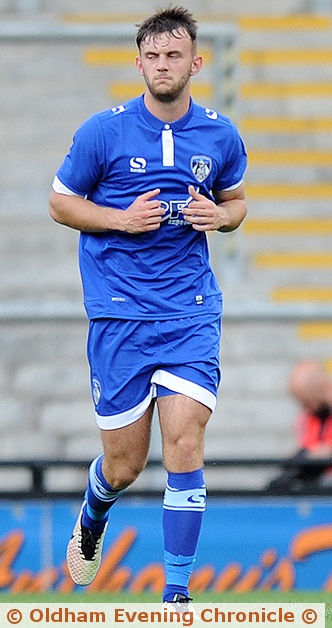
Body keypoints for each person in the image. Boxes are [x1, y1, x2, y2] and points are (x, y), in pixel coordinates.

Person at [49, 5, 247, 604]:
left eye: (175, 55)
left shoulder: (220, 133)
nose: (164, 65)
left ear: (195, 62)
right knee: (126, 465)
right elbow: (61, 203)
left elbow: (236, 202)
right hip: (118, 314)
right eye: (153, 56)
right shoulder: (102, 132)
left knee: (185, 441)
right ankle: (95, 508)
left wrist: (222, 216)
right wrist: (121, 220)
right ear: (139, 64)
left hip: (189, 312)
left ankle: (177, 597)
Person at [267, 360, 332, 493]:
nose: (304, 407)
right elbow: (309, 450)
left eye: (308, 401)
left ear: (323, 388)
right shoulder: (309, 417)